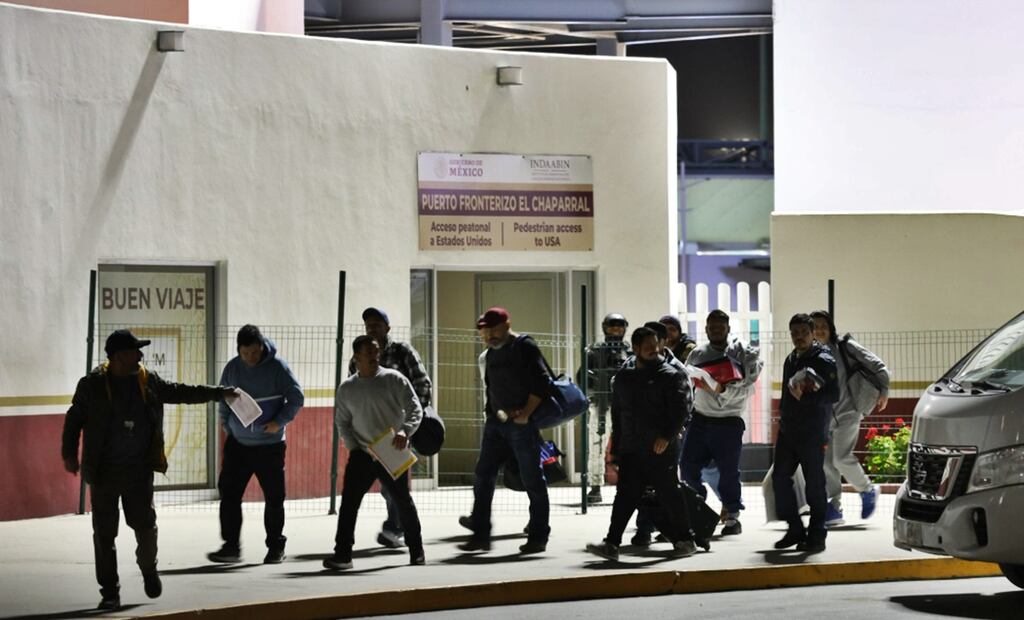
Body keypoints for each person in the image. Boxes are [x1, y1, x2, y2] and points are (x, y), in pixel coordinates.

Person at [61, 329, 235, 611]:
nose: (140, 355)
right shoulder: (91, 385)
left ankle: (148, 569)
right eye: (134, 351)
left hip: (139, 471)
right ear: (117, 357)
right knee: (104, 535)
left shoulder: (147, 381)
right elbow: (74, 419)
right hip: (104, 473)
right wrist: (69, 453)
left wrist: (219, 394)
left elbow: (181, 392)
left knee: (145, 528)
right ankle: (109, 591)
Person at [586, 326, 699, 561]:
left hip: (661, 448)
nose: (651, 348)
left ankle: (686, 540)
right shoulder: (624, 378)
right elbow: (618, 416)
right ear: (635, 348)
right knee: (626, 495)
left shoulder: (670, 374)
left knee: (669, 493)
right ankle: (612, 543)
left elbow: (681, 411)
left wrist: (666, 437)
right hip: (632, 447)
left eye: (654, 344)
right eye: (645, 345)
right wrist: (616, 450)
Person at [324, 335, 424, 570]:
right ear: (356, 357)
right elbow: (342, 422)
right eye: (368, 352)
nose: (373, 355)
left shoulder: (394, 379)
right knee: (349, 504)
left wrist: (405, 432)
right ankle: (343, 555)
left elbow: (414, 408)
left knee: (403, 502)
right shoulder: (348, 388)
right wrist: (354, 448)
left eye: (376, 351)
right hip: (362, 453)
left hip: (392, 450)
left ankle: (417, 552)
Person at [208, 325, 305, 565]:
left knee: (274, 498)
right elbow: (224, 397)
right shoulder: (232, 368)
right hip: (238, 444)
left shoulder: (278, 368)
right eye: (246, 353)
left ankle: (275, 547)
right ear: (238, 350)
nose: (251, 358)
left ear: (262, 347)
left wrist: (279, 421)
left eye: (255, 352)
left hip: (270, 445)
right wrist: (227, 426)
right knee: (229, 494)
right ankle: (230, 547)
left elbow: (296, 397)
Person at [460, 307, 551, 554]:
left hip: (522, 426)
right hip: (495, 424)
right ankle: (480, 535)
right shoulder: (490, 353)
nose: (489, 334)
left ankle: (538, 536)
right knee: (483, 476)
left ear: (507, 324)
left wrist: (526, 414)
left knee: (532, 479)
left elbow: (543, 384)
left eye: (494, 329)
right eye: (485, 330)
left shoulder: (524, 346)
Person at [347, 307, 433, 549]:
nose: (372, 328)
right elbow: (352, 388)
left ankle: (396, 529)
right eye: (368, 325)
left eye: (376, 323)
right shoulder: (359, 357)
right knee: (388, 487)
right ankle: (400, 528)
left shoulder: (402, 351)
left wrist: (410, 421)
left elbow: (422, 383)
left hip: (399, 432)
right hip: (371, 432)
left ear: (387, 327)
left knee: (393, 485)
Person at [680, 309, 763, 536]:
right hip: (699, 420)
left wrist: (719, 388)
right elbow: (686, 385)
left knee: (728, 472)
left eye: (720, 326)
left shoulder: (742, 353)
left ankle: (732, 518)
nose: (716, 330)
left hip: (729, 423)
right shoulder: (697, 354)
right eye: (711, 327)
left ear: (728, 328)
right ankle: (699, 509)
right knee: (687, 467)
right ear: (705, 329)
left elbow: (747, 389)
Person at [811, 309, 890, 525]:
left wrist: (884, 391)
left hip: (849, 411)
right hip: (824, 416)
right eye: (815, 326)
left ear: (831, 328)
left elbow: (879, 366)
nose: (819, 330)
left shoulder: (845, 346)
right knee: (826, 464)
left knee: (841, 458)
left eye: (823, 326)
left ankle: (868, 490)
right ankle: (834, 509)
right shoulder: (809, 353)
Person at [772, 313, 839, 553]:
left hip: (812, 431)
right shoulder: (791, 358)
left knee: (814, 484)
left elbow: (833, 395)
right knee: (779, 479)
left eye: (803, 333)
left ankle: (817, 534)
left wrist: (807, 398)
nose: (798, 337)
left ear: (812, 334)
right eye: (794, 333)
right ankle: (794, 528)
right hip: (789, 430)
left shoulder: (823, 359)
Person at [576, 313, 630, 504]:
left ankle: (627, 486)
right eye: (612, 327)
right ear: (604, 328)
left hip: (626, 408)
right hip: (601, 405)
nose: (615, 331)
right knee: (596, 446)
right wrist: (595, 387)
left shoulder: (629, 352)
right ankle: (595, 486)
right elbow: (581, 377)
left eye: (619, 327)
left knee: (627, 448)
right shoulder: (594, 351)